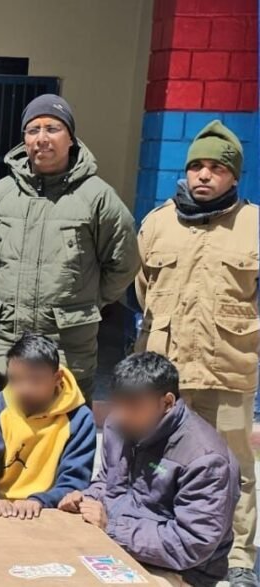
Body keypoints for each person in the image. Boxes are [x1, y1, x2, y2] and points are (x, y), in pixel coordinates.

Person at [135, 120, 257, 587]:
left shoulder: (253, 226)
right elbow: (142, 290)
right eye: (196, 166)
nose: (204, 175)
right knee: (161, 459)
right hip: (166, 373)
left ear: (234, 175)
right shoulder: (158, 223)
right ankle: (166, 539)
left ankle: (239, 556)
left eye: (216, 168)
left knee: (232, 466)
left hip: (227, 366)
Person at [0, 94, 138, 403]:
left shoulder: (97, 198)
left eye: (52, 128)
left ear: (70, 138)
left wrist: (89, 299)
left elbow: (125, 262)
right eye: (33, 130)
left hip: (66, 353)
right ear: (24, 139)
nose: (42, 138)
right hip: (5, 347)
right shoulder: (2, 193)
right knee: (4, 428)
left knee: (65, 431)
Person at [60, 352, 238, 587]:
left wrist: (111, 526)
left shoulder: (205, 459)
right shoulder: (119, 425)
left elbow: (191, 544)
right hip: (117, 545)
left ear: (167, 403)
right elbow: (108, 481)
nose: (121, 415)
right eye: (117, 404)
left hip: (180, 569)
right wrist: (87, 499)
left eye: (133, 406)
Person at [0, 333, 95, 519]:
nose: (24, 389)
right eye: (15, 379)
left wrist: (39, 501)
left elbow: (74, 481)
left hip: (48, 510)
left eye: (35, 380)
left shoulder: (79, 418)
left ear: (57, 378)